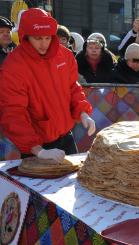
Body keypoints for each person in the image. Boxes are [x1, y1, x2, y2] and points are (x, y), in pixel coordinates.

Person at [0, 8, 95, 162]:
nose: (43, 43)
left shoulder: (65, 55)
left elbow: (73, 87)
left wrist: (83, 112)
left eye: (47, 37)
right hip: (38, 146)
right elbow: (13, 112)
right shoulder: (13, 66)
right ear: (26, 36)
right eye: (37, 38)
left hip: (66, 137)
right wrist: (37, 150)